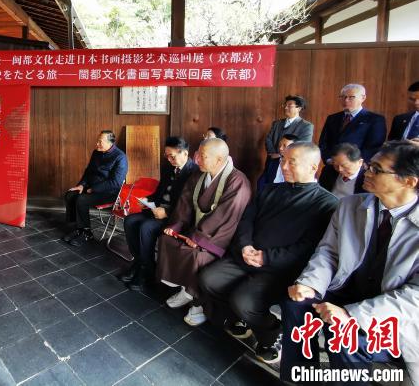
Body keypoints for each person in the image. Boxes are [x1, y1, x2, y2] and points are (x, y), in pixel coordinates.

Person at [282, 141, 419, 385]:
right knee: (296, 302)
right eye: (369, 166)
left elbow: (414, 298)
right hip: (345, 290)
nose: (367, 172)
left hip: (391, 315)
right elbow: (328, 252)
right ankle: (301, 378)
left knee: (346, 337)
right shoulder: (350, 205)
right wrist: (310, 283)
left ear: (408, 181)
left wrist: (351, 314)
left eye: (377, 170)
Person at [199, 142, 338, 365]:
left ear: (314, 167)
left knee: (244, 302)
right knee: (208, 279)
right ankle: (241, 318)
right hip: (246, 256)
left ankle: (271, 333)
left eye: (292, 162)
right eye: (283, 160)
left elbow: (309, 247)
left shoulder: (327, 203)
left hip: (278, 269)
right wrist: (245, 246)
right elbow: (247, 220)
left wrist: (267, 257)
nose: (284, 166)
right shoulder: (270, 189)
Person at [155, 138, 251, 326]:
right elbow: (185, 203)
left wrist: (199, 238)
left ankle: (198, 304)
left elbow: (226, 216)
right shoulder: (199, 175)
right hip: (195, 230)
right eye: (197, 154)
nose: (196, 159)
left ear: (219, 159)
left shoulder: (238, 181)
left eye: (203, 156)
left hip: (219, 237)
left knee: (197, 256)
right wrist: (176, 226)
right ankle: (185, 290)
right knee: (167, 240)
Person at [120, 136, 199, 291]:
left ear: (185, 153)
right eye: (166, 156)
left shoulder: (194, 173)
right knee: (129, 220)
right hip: (157, 210)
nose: (169, 159)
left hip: (176, 217)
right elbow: (159, 192)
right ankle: (140, 262)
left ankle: (147, 272)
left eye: (172, 156)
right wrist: (147, 200)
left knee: (146, 227)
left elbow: (190, 205)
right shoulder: (168, 167)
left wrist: (167, 212)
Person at [63, 130, 128, 247]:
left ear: (110, 143)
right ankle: (78, 228)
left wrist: (93, 189)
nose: (97, 144)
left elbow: (116, 183)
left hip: (110, 192)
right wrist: (82, 185)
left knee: (81, 199)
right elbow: (89, 171)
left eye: (100, 141)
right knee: (70, 195)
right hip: (91, 186)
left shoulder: (120, 157)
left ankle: (87, 233)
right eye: (97, 141)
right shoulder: (96, 152)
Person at [319, 84, 386, 166]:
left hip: (357, 167)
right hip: (332, 166)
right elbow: (323, 143)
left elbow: (374, 146)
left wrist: (355, 164)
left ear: (363, 98)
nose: (346, 100)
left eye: (351, 97)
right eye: (343, 97)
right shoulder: (332, 118)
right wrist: (329, 159)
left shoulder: (374, 119)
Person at [261, 95, 313, 188]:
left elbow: (303, 146)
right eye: (285, 105)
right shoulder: (277, 123)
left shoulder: (306, 126)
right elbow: (268, 139)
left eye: (289, 106)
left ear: (299, 108)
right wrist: (272, 153)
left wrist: (280, 155)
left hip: (290, 164)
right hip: (272, 161)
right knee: (265, 185)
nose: (285, 108)